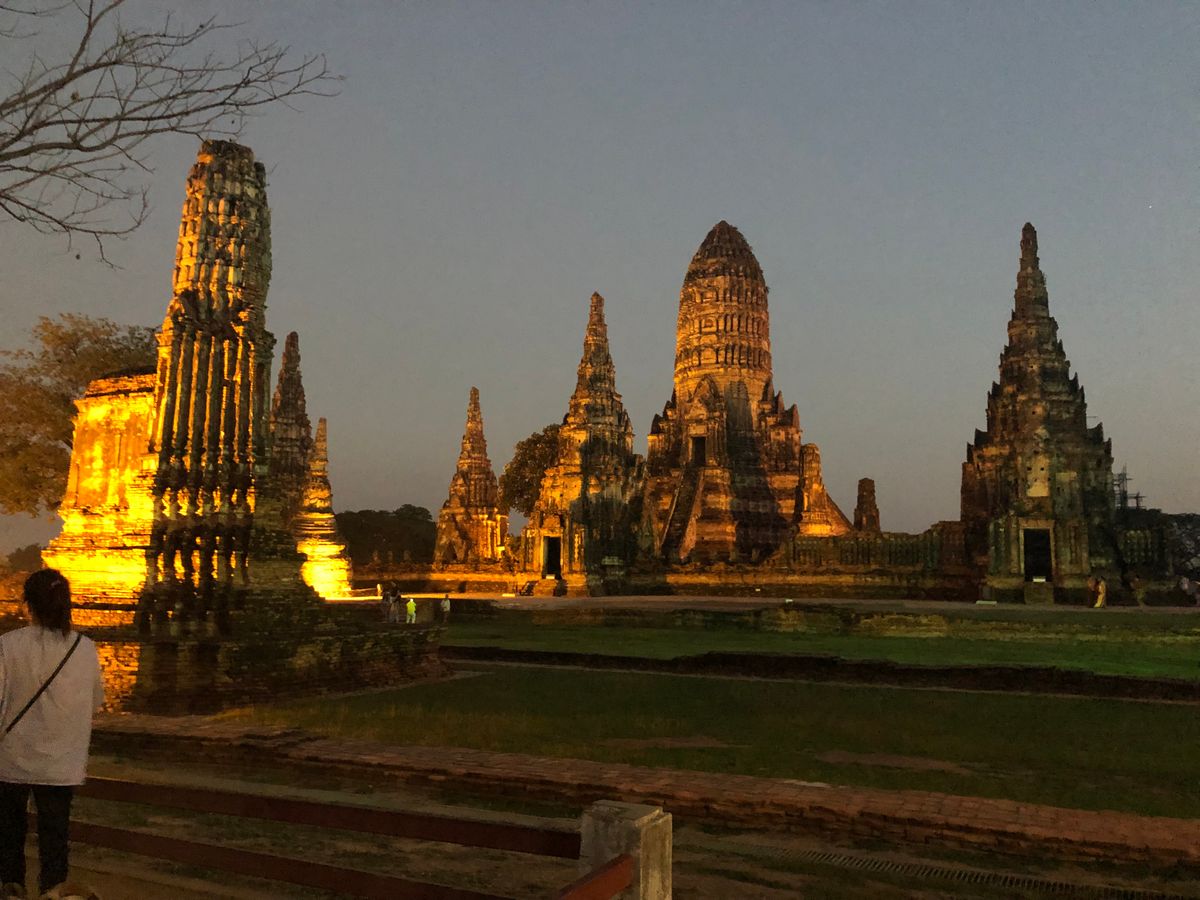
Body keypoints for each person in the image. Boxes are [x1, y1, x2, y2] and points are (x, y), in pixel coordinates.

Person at [0, 570, 104, 899]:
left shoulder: (8, 646)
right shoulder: (84, 649)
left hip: (12, 758)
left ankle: (12, 888)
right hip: (62, 761)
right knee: (55, 837)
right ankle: (53, 891)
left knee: (9, 834)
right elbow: (95, 701)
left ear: (28, 604)